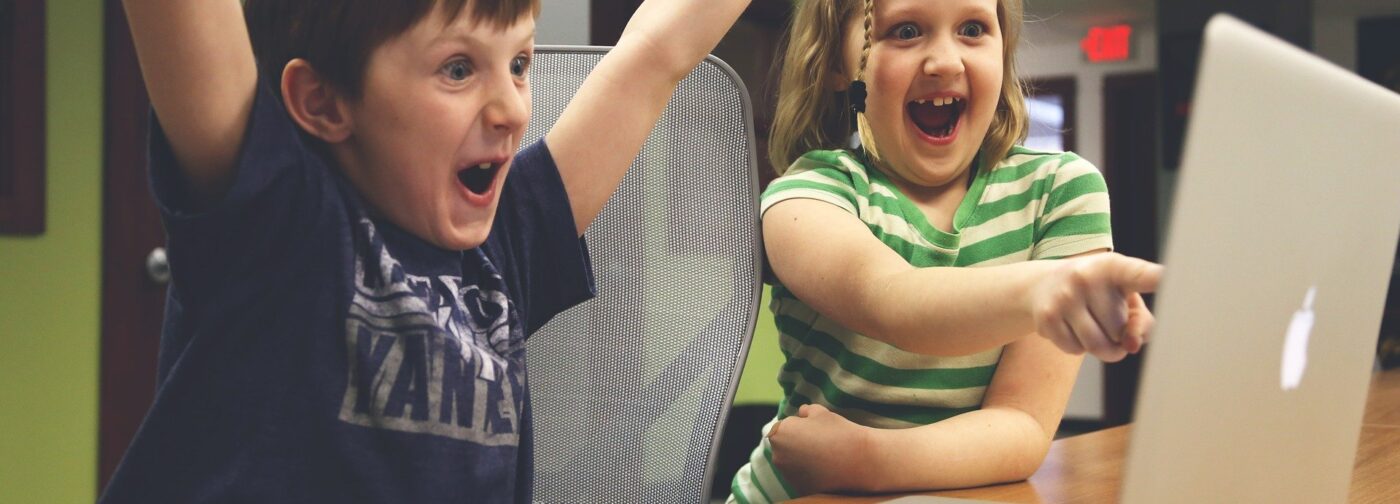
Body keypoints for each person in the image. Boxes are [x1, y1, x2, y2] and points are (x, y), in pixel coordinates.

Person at [102, 0, 749, 502]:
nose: (512, 110)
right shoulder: (276, 221)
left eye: (519, 64)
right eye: (458, 69)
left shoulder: (504, 246)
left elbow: (657, 50)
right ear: (323, 101)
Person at [728, 0, 1162, 500]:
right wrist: (1044, 288)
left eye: (973, 29)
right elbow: (891, 299)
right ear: (835, 65)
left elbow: (1021, 425)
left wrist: (867, 459)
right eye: (906, 31)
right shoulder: (806, 196)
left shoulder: (1060, 192)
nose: (945, 62)